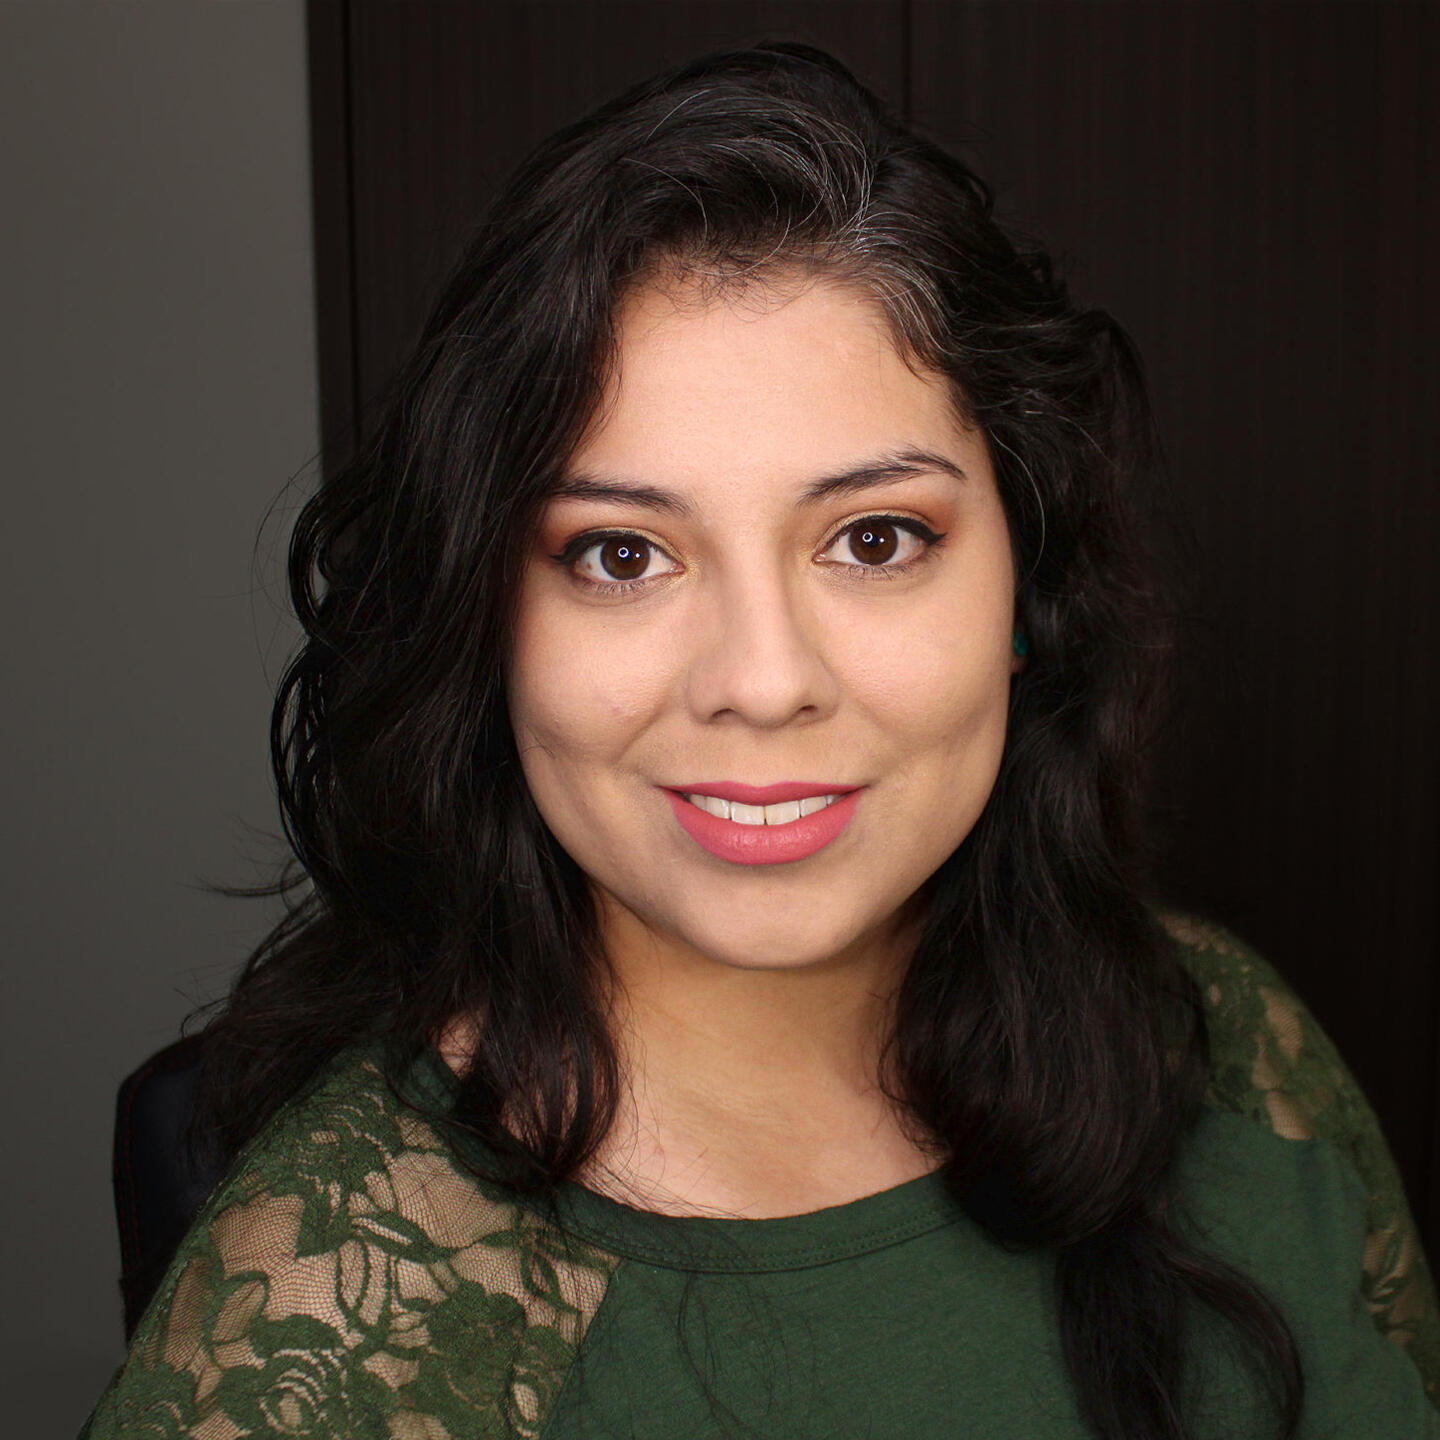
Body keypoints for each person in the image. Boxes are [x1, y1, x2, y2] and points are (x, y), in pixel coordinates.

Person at [81, 42, 1439, 1440]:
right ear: (486, 629)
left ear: (1024, 598)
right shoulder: (325, 1328)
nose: (764, 681)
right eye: (621, 554)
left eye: (875, 539)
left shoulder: (1233, 1042)